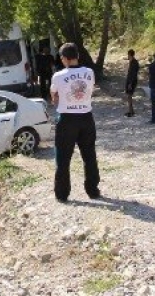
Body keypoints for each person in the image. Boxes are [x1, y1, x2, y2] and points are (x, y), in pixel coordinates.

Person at [50, 43, 100, 203]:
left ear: (63, 59)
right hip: (86, 117)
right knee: (89, 155)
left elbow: (54, 97)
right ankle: (93, 190)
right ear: (78, 56)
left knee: (63, 158)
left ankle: (62, 193)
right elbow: (90, 91)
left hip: (67, 119)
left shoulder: (58, 76)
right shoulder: (89, 72)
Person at [124, 49, 140, 117]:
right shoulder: (132, 62)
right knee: (128, 96)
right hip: (130, 80)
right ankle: (131, 111)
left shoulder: (134, 62)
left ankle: (131, 112)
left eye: (128, 54)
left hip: (131, 81)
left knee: (129, 96)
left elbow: (133, 74)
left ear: (130, 54)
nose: (127, 56)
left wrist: (130, 83)